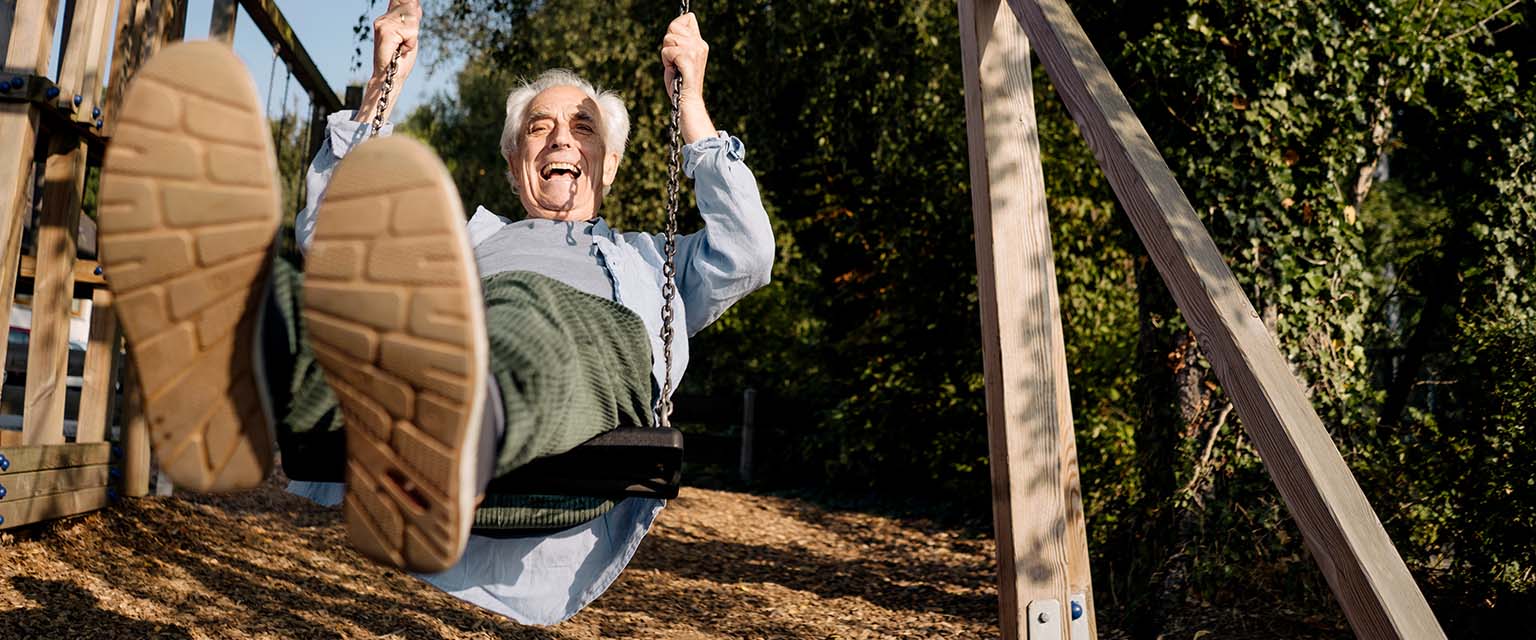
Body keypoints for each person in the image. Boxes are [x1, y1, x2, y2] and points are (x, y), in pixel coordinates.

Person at [95, 0, 773, 625]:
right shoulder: (465, 239)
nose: (559, 139)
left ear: (611, 163)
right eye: (538, 128)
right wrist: (381, 85)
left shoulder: (651, 260)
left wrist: (692, 104)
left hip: (578, 383)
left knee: (526, 316)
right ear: (514, 163)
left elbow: (747, 252)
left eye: (582, 127)